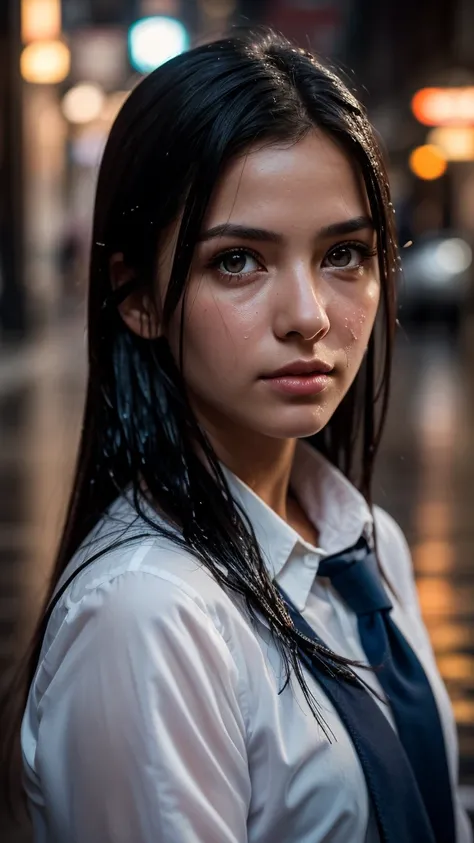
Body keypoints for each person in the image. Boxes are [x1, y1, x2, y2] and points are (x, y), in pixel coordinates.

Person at [6, 28, 472, 843]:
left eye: (345, 253)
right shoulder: (148, 614)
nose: (309, 317)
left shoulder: (366, 547)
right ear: (138, 296)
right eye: (238, 262)